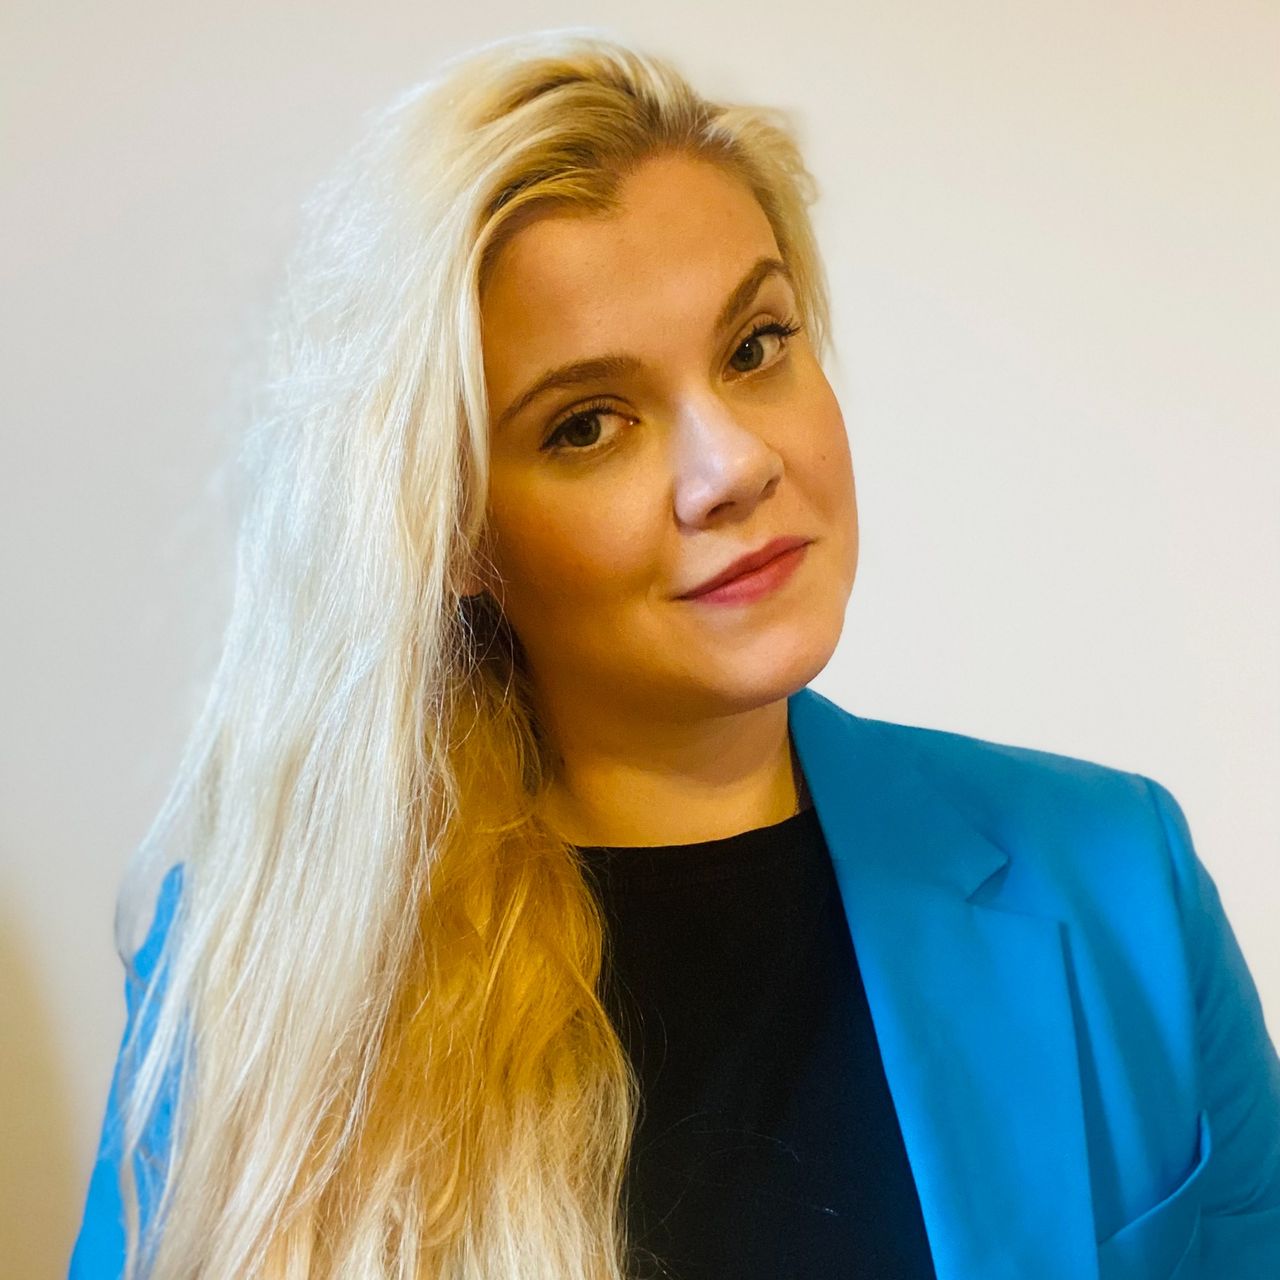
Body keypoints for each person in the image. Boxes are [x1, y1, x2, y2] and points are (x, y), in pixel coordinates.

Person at [69, 27, 1280, 1280]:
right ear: (455, 533)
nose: (733, 465)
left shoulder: (1119, 879)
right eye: (587, 423)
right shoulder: (260, 975)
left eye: (754, 346)